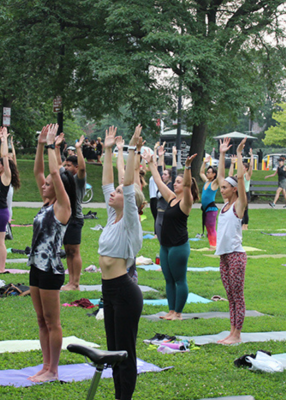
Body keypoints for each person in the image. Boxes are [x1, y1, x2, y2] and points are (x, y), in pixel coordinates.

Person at [98, 125, 145, 400]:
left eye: (117, 192)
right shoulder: (111, 217)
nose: (112, 193)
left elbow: (127, 186)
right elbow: (107, 183)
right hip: (108, 290)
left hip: (125, 292)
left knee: (125, 352)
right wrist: (106, 151)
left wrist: (129, 151)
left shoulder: (130, 222)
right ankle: (119, 396)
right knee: (113, 351)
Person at [28, 124, 75, 383]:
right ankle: (46, 365)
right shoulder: (46, 204)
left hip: (51, 269)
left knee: (52, 321)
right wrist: (39, 144)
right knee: (40, 319)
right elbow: (39, 171)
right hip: (36, 265)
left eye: (48, 184)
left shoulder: (62, 207)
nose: (43, 185)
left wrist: (50, 147)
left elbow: (54, 173)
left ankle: (54, 370)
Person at [143, 146, 199, 321]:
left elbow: (189, 185)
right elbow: (159, 182)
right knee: (168, 279)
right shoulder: (172, 199)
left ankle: (178, 313)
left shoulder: (186, 203)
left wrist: (188, 167)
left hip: (178, 246)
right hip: (165, 246)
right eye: (175, 181)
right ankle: (171, 311)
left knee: (179, 279)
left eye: (178, 182)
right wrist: (151, 163)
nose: (175, 183)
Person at [215, 138, 248, 345]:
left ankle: (237, 334)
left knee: (237, 295)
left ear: (234, 189)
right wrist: (221, 154)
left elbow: (241, 182)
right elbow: (219, 177)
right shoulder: (224, 206)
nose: (222, 189)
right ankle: (231, 331)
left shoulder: (238, 206)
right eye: (222, 187)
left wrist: (238, 155)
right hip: (224, 255)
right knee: (229, 295)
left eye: (226, 187)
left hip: (236, 255)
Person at [0, 127, 21, 273]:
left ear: (4, 166)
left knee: (0, 241)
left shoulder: (5, 177)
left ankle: (1, 268)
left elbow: (3, 155)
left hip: (1, 211)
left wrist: (4, 140)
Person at [61, 134, 87, 291]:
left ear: (76, 168)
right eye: (66, 164)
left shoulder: (79, 179)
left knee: (74, 251)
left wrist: (78, 149)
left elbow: (83, 168)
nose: (66, 167)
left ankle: (76, 283)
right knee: (68, 251)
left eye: (69, 165)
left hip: (75, 218)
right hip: (65, 218)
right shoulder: (65, 177)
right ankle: (70, 281)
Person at [155, 144, 177, 243]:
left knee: (167, 238)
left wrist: (174, 155)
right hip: (159, 214)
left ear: (170, 177)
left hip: (166, 213)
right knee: (160, 238)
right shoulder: (161, 185)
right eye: (163, 174)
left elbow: (174, 172)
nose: (163, 176)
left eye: (165, 174)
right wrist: (160, 156)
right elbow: (158, 171)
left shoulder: (171, 186)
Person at [200, 155, 218, 249]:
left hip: (211, 209)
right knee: (208, 228)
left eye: (210, 172)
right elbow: (201, 172)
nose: (207, 174)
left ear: (214, 174)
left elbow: (221, 176)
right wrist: (204, 162)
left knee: (211, 228)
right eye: (207, 172)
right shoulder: (206, 181)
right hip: (206, 209)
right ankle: (212, 245)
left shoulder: (214, 183)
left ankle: (214, 245)